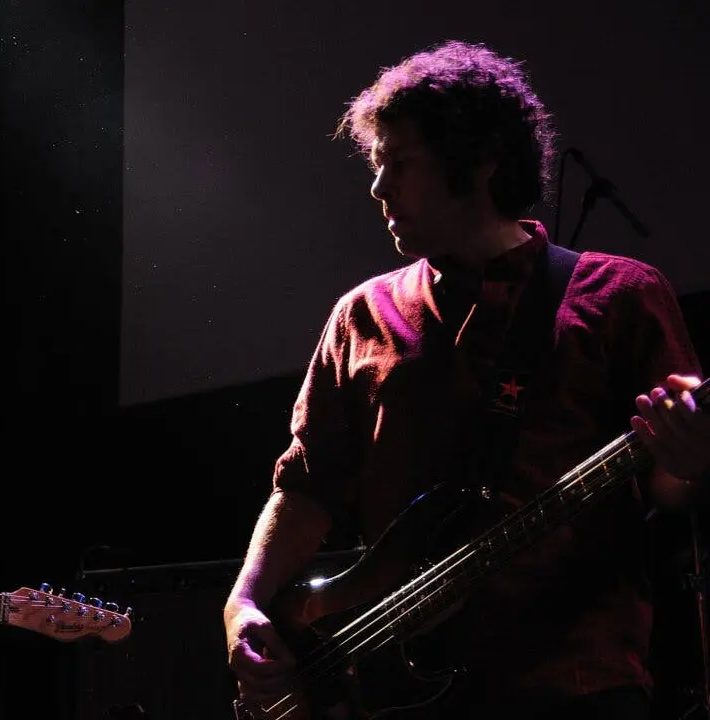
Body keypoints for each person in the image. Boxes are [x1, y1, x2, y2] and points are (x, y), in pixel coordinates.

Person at [223, 40, 709, 720]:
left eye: (399, 162)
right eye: (375, 163)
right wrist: (244, 600)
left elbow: (669, 490)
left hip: (576, 686)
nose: (378, 187)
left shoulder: (619, 293)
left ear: (478, 163)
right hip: (399, 695)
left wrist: (689, 461)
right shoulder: (362, 314)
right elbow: (307, 486)